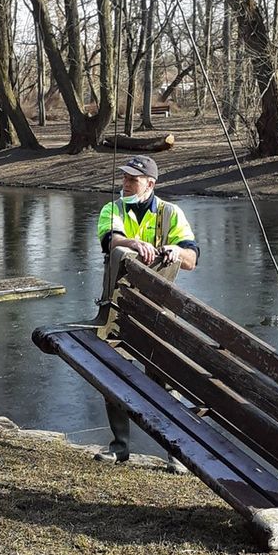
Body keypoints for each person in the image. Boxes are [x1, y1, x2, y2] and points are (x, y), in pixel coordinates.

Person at [94, 154, 199, 467]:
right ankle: (120, 447)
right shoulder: (112, 209)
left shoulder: (171, 213)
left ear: (150, 184)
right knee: (113, 373)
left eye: (133, 179)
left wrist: (176, 251)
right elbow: (110, 240)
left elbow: (192, 259)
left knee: (165, 379)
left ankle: (176, 453)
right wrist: (133, 243)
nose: (126, 184)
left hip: (158, 311)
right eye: (124, 178)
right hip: (117, 309)